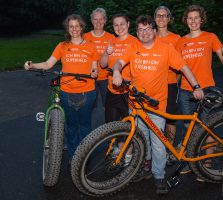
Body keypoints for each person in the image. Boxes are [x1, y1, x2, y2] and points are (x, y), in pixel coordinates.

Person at [112, 15, 203, 194]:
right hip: (136, 104)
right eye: (140, 30)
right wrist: (116, 72)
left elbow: (183, 67)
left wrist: (196, 86)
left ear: (154, 31)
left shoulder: (166, 49)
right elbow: (119, 62)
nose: (144, 33)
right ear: (136, 32)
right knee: (141, 138)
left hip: (156, 105)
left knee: (158, 143)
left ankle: (159, 176)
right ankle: (145, 167)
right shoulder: (133, 47)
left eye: (148, 29)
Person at [24, 14, 98, 158]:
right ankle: (73, 156)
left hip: (87, 92)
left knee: (84, 126)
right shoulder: (62, 46)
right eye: (71, 26)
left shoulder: (90, 46)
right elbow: (48, 64)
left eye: (77, 26)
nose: (74, 29)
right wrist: (32, 65)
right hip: (66, 92)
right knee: (71, 126)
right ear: (68, 28)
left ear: (82, 27)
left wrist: (94, 72)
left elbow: (94, 67)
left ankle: (84, 159)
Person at [176, 5, 223, 175]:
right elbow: (179, 69)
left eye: (196, 18)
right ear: (186, 20)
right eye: (190, 18)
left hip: (207, 89)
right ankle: (193, 161)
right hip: (186, 91)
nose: (193, 21)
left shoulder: (210, 37)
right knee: (189, 128)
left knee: (207, 127)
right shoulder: (180, 41)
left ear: (201, 20)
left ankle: (207, 164)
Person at [100, 13, 138, 165]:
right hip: (111, 90)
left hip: (127, 92)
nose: (119, 27)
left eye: (122, 24)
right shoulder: (111, 41)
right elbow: (103, 64)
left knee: (128, 125)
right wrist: (105, 53)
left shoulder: (135, 42)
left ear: (128, 24)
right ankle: (119, 148)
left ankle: (128, 156)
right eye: (116, 25)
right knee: (112, 124)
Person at [154, 5, 181, 166]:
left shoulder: (176, 39)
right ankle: (156, 150)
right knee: (152, 118)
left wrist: (175, 81)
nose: (161, 18)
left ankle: (169, 149)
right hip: (152, 86)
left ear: (169, 19)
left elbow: (181, 64)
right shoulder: (149, 35)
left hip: (170, 84)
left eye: (164, 16)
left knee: (170, 118)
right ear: (155, 18)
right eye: (158, 15)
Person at [83, 8, 115, 127]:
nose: (98, 21)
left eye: (101, 19)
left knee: (108, 107)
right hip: (89, 78)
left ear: (105, 20)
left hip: (106, 78)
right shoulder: (84, 37)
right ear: (91, 21)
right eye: (95, 19)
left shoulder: (111, 37)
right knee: (88, 108)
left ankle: (108, 134)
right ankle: (89, 135)